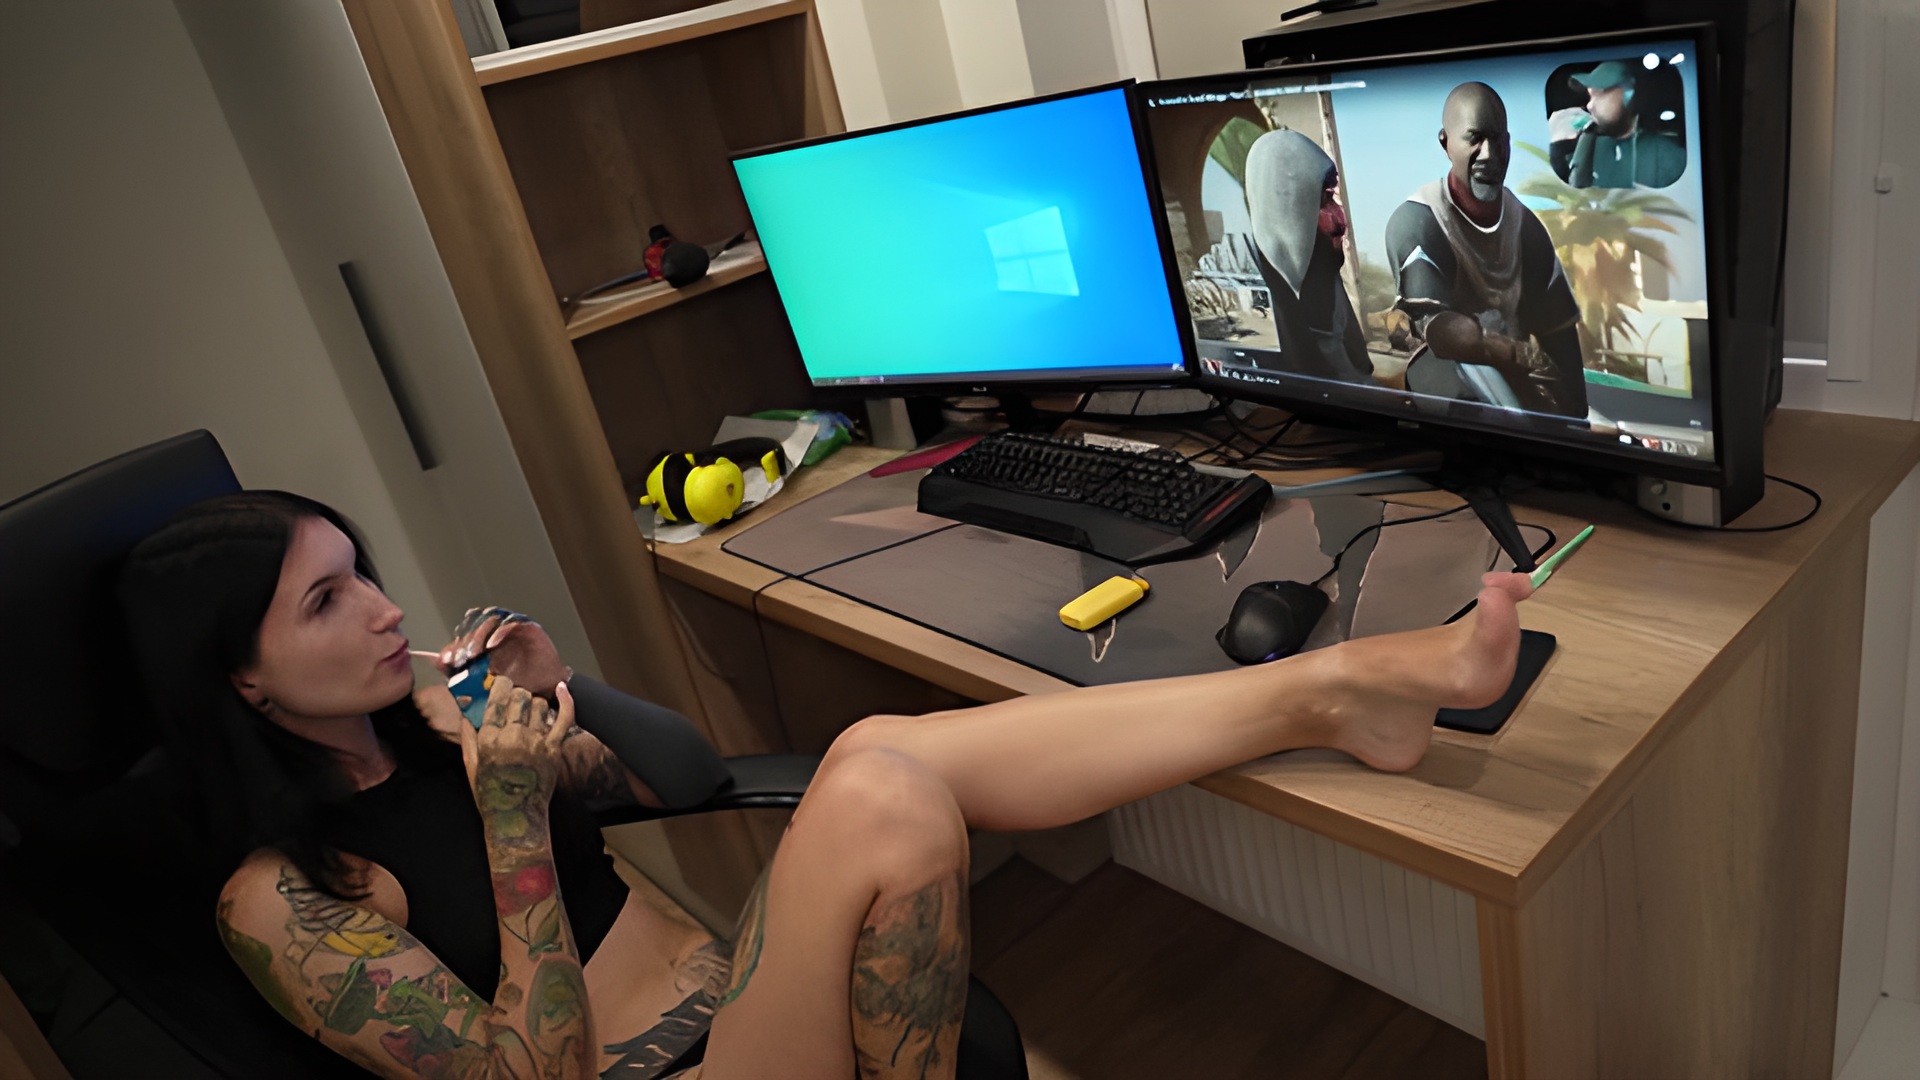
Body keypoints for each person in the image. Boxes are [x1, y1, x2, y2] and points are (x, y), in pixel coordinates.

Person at [119, 490, 1534, 1080]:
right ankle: (1341, 694)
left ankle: (1333, 691)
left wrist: (563, 689)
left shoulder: (443, 714)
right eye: (325, 603)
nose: (381, 610)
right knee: (880, 794)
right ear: (241, 680)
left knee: (869, 754)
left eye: (361, 573)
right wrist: (506, 820)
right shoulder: (278, 901)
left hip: (744, 1020)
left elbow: (683, 774)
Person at [1385, 82, 1590, 422]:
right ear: (1445, 142)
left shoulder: (1526, 228)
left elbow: (1559, 333)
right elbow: (1441, 331)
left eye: (1498, 140)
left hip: (1511, 375)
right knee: (1451, 385)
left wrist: (1574, 420)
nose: (1488, 154)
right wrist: (1518, 353)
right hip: (1450, 373)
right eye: (1475, 139)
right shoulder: (1419, 219)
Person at [1243, 128, 1374, 383]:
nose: (1340, 219)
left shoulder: (1323, 274)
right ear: (1287, 207)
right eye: (1325, 200)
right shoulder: (1257, 304)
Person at [1549, 60, 1687, 190]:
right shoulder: (1584, 147)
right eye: (1590, 96)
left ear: (1629, 96)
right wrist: (1557, 151)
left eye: (1599, 94)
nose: (1589, 105)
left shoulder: (1668, 155)